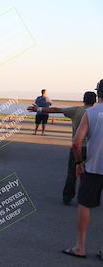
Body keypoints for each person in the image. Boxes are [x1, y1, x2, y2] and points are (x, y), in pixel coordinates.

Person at [27, 91, 97, 205]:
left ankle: (67, 197)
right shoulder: (97, 113)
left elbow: (56, 110)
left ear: (83, 99)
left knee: (72, 173)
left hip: (78, 147)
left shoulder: (77, 110)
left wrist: (38, 109)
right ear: (95, 100)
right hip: (92, 149)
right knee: (88, 175)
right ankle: (85, 198)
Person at [63, 79, 103, 259]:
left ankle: (80, 247)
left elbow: (76, 142)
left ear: (98, 94)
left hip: (93, 168)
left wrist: (79, 163)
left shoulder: (91, 113)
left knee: (85, 204)